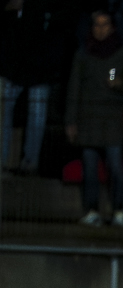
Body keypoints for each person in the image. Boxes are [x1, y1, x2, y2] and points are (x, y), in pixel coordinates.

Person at [65, 10, 123, 228]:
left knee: (115, 167)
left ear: (112, 27)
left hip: (111, 118)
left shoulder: (121, 52)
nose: (100, 29)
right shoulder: (83, 53)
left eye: (104, 24)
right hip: (88, 118)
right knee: (89, 169)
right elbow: (74, 89)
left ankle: (118, 210)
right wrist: (71, 121)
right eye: (96, 25)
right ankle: (92, 211)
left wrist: (120, 84)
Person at [0, 0, 72, 175]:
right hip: (16, 65)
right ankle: (12, 160)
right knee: (7, 113)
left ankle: (29, 162)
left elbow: (111, 70)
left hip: (38, 66)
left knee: (34, 116)